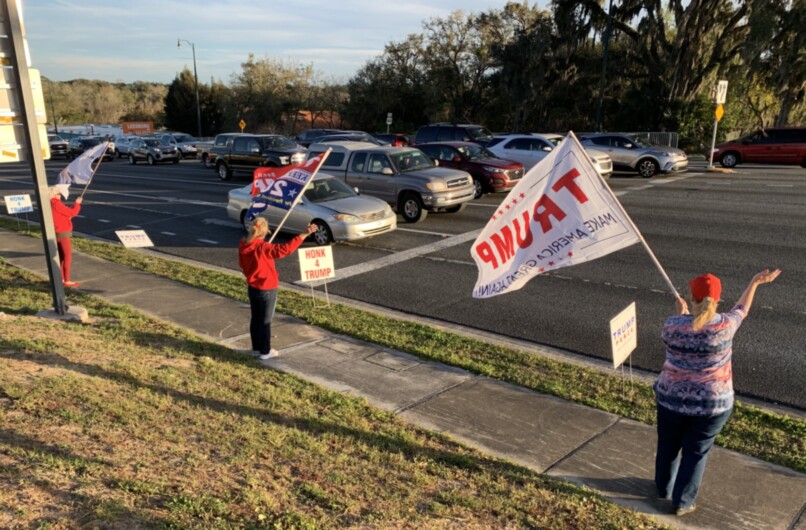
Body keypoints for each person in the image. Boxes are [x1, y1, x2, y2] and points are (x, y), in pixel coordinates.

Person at [654, 269, 781, 516]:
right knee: (696, 451)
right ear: (717, 301)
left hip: (671, 399)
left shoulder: (672, 325)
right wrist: (754, 282)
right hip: (712, 405)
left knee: (668, 445)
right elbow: (742, 309)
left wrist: (680, 314)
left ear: (692, 298)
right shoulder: (725, 325)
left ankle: (662, 488)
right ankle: (683, 502)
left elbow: (679, 334)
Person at [238, 217, 317, 360]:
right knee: (265, 321)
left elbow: (242, 265)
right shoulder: (263, 247)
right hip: (267, 288)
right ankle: (265, 351)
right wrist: (304, 234)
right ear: (265, 231)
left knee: (256, 319)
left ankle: (256, 348)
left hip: (252, 287)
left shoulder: (243, 245)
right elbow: (285, 249)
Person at [50, 186, 83, 288]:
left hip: (55, 231)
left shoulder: (50, 203)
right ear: (55, 194)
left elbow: (63, 214)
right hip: (62, 232)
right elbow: (73, 212)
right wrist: (77, 204)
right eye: (59, 194)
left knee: (60, 256)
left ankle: (60, 278)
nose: (61, 196)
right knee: (67, 256)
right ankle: (67, 280)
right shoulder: (56, 203)